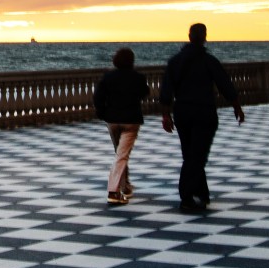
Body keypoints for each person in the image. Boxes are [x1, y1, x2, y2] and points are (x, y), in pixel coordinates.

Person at [160, 23, 243, 212]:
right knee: (197, 155)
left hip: (183, 113)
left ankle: (202, 192)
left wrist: (166, 115)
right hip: (204, 113)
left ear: (189, 36)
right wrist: (236, 106)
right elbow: (225, 85)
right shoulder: (209, 61)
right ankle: (186, 196)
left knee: (191, 153)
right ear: (205, 37)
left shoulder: (175, 62)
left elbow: (166, 91)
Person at [93, 47, 148, 205]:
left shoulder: (108, 77)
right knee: (122, 155)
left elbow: (98, 96)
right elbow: (144, 93)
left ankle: (125, 186)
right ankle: (113, 191)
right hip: (131, 121)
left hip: (112, 120)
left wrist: (102, 113)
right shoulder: (138, 77)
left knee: (120, 154)